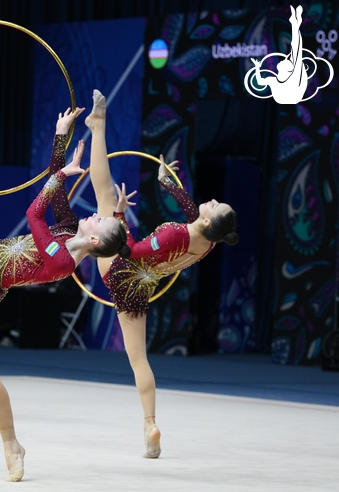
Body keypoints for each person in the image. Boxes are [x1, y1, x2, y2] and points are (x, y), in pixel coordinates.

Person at [0, 58, 130, 482]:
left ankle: (11, 442)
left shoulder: (65, 260)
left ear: (98, 241)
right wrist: (59, 140)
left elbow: (35, 214)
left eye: (101, 221)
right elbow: (57, 190)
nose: (95, 216)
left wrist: (56, 178)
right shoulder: (70, 228)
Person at [85, 89, 239, 458]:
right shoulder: (208, 242)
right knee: (139, 359)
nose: (212, 200)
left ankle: (99, 125)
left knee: (104, 194)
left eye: (215, 205)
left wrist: (120, 215)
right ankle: (149, 423)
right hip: (141, 287)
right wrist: (170, 186)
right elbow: (193, 216)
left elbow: (129, 250)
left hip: (123, 271)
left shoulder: (175, 235)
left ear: (208, 218)